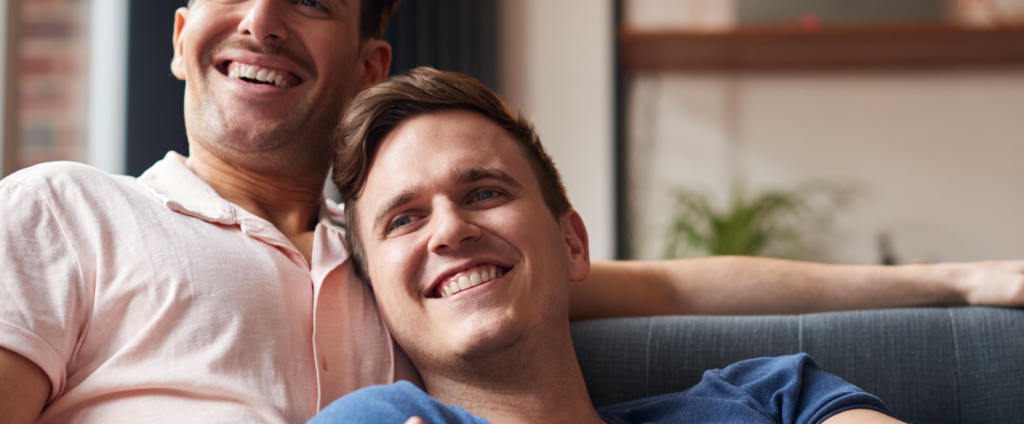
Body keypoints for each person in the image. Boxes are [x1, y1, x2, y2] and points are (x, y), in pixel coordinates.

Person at [0, 0, 1021, 422]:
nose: (259, 22)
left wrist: (962, 278)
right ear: (180, 34)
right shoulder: (63, 213)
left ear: (367, 64)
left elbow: (673, 282)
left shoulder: (402, 266)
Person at [318, 67, 901, 424]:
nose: (449, 230)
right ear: (374, 294)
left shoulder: (771, 397)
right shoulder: (379, 420)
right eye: (403, 220)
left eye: (485, 192)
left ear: (572, 244)